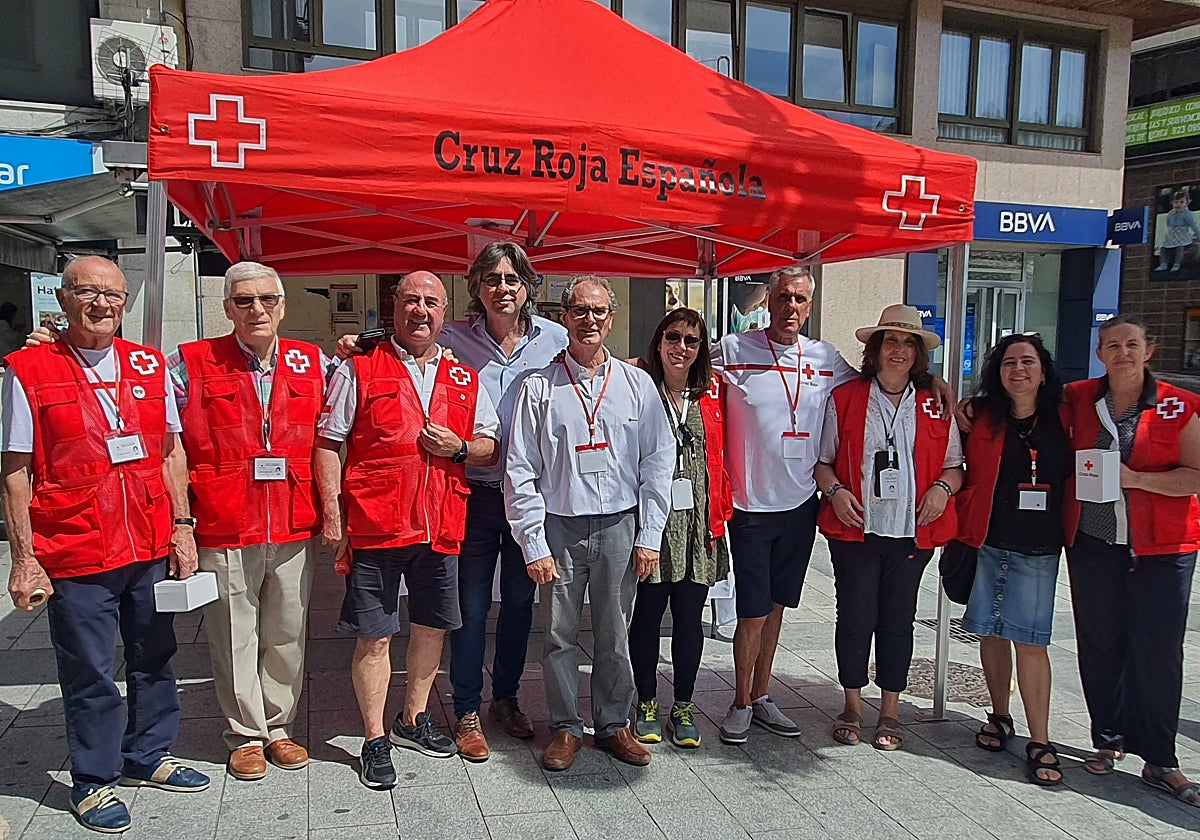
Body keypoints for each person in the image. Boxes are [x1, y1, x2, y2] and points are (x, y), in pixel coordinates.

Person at [2, 256, 209, 834]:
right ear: (62, 298)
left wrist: (183, 526)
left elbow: (170, 452)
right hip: (75, 548)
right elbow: (15, 472)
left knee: (155, 656)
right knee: (90, 671)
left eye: (113, 295)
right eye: (88, 292)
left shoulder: (147, 365)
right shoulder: (29, 369)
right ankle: (93, 779)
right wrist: (24, 559)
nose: (101, 305)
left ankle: (148, 753)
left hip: (146, 541)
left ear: (125, 303)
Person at [316, 271, 501, 789]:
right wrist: (332, 513)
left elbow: (489, 443)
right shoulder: (359, 367)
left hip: (441, 525)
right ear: (394, 307)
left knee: (431, 628)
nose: (422, 311)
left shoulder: (465, 376)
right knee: (375, 637)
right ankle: (374, 738)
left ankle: (412, 720)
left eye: (432, 303)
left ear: (445, 313)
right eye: (412, 300)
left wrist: (460, 449)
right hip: (377, 525)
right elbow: (328, 442)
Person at [506, 275, 674, 771]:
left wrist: (649, 536)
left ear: (612, 318)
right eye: (579, 310)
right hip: (560, 525)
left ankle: (614, 723)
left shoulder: (637, 384)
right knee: (559, 634)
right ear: (564, 317)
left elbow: (658, 462)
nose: (589, 320)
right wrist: (533, 543)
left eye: (599, 311)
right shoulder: (539, 386)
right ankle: (565, 727)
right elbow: (520, 468)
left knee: (614, 632)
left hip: (620, 525)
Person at [173, 262, 326, 781]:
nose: (256, 309)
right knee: (233, 633)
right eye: (244, 300)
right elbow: (150, 417)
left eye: (267, 299)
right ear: (227, 308)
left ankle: (279, 727)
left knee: (287, 631)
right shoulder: (190, 362)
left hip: (293, 518)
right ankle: (246, 734)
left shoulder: (314, 361)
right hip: (226, 519)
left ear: (282, 305)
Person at [710, 265, 858, 744]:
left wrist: (934, 386)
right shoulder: (734, 349)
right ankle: (739, 701)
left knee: (776, 607)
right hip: (750, 505)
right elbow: (679, 364)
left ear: (809, 306)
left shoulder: (825, 357)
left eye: (800, 299)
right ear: (768, 301)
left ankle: (761, 694)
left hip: (800, 505)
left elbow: (870, 386)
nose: (791, 307)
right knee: (752, 610)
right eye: (783, 297)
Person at [1063, 315, 1200, 806]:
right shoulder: (1079, 398)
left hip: (1162, 548)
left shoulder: (1180, 405)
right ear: (1100, 353)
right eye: (1113, 345)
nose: (1123, 353)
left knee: (1158, 653)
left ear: (1148, 351)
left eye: (1132, 345)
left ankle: (1161, 759)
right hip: (1095, 543)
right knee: (1100, 644)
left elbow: (1195, 475)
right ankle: (1108, 740)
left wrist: (1137, 479)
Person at [439, 243, 568, 760]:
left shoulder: (555, 339)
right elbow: (404, 351)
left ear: (528, 286)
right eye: (492, 279)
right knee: (470, 606)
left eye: (512, 279)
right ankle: (467, 707)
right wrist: (356, 344)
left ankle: (506, 699)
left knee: (519, 602)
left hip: (530, 496)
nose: (502, 288)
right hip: (472, 493)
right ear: (476, 287)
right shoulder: (451, 339)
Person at [814, 305, 962, 751]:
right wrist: (836, 492)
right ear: (876, 349)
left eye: (908, 343)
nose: (899, 350)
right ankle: (852, 705)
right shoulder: (845, 397)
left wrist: (941, 490)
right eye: (891, 341)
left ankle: (891, 709)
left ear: (918, 353)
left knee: (898, 621)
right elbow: (822, 462)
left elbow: (955, 466)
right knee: (855, 618)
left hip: (912, 531)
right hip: (857, 528)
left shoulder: (935, 403)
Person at [954, 333, 1068, 785]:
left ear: (1043, 370)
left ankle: (1041, 739)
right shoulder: (981, 415)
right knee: (990, 631)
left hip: (1039, 545)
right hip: (987, 538)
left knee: (1031, 641)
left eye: (1027, 361)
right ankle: (1000, 715)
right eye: (1008, 363)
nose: (1018, 370)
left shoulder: (1065, 416)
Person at [627, 309, 732, 749]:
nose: (681, 347)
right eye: (673, 337)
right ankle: (647, 702)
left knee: (690, 619)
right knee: (647, 618)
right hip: (654, 525)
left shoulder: (715, 391)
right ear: (658, 341)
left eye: (692, 340)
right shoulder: (638, 387)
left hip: (699, 526)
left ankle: (684, 705)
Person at [1155, 190, 1200, 273]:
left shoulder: (1187, 215)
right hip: (1172, 235)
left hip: (1182, 235)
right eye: (1176, 202)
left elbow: (1193, 226)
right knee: (1163, 248)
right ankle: (1163, 264)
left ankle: (1177, 264)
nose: (1178, 204)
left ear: (1187, 203)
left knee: (1180, 248)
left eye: (1181, 202)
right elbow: (1168, 223)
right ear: (1172, 203)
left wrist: (1198, 235)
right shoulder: (1170, 214)